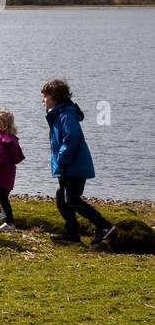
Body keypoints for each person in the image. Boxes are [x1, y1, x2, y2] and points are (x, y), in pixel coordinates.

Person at [42, 79, 116, 245]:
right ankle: (72, 233)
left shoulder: (66, 116)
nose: (43, 99)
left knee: (72, 199)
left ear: (55, 97)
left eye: (45, 96)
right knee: (62, 197)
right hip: (67, 167)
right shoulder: (58, 115)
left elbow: (71, 139)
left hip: (73, 166)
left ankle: (104, 226)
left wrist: (62, 159)